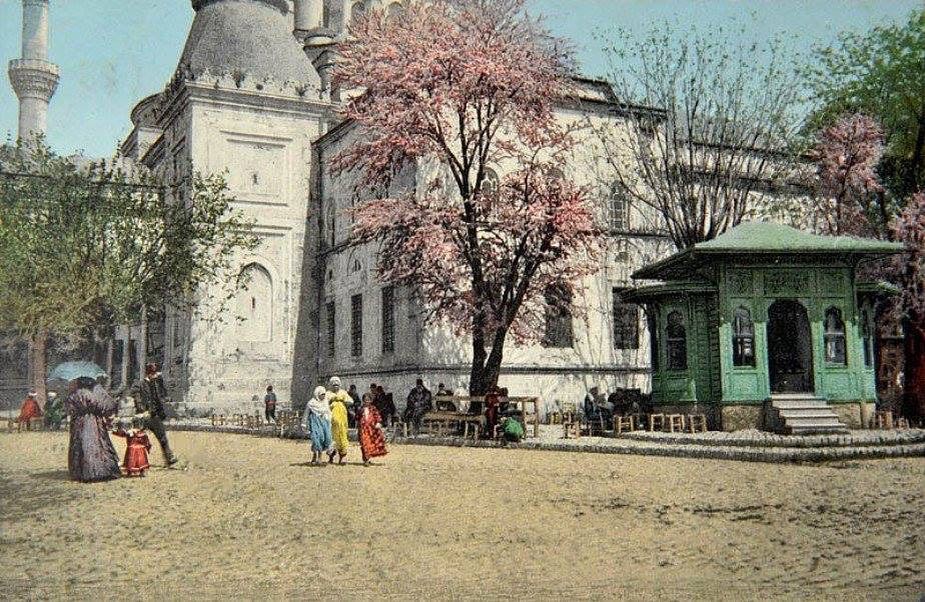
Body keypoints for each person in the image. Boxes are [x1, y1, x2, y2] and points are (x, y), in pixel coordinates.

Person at [64, 377, 121, 483]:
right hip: (94, 421)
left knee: (81, 445)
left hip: (79, 422)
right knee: (97, 444)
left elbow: (68, 408)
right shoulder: (96, 392)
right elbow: (108, 405)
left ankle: (82, 473)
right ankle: (101, 471)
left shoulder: (74, 394)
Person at [135, 363, 178, 467]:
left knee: (162, 437)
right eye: (153, 374)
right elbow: (136, 398)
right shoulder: (140, 384)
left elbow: (162, 395)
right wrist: (142, 410)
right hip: (145, 416)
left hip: (154, 415)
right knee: (136, 438)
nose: (155, 376)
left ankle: (169, 458)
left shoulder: (157, 384)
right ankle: (135, 460)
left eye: (155, 373)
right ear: (148, 374)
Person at [302, 385, 333, 466]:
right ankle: (318, 456)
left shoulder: (325, 402)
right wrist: (304, 424)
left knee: (324, 438)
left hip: (324, 424)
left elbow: (328, 412)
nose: (323, 396)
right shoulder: (311, 403)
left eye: (324, 394)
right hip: (314, 423)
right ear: (317, 394)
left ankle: (315, 454)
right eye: (321, 394)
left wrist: (329, 421)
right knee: (317, 438)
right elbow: (306, 414)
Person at [358, 393, 388, 466]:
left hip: (371, 430)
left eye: (368, 400)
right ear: (363, 401)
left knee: (370, 443)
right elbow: (357, 417)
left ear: (371, 401)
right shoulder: (361, 409)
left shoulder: (373, 408)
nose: (367, 402)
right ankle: (366, 459)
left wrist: (378, 422)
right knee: (364, 443)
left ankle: (367, 458)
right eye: (365, 400)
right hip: (363, 429)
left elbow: (377, 416)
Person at [328, 392, 349, 465]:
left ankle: (342, 457)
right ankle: (331, 457)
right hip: (333, 426)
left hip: (341, 426)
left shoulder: (342, 405)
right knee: (333, 442)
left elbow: (350, 401)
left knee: (342, 441)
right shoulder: (331, 403)